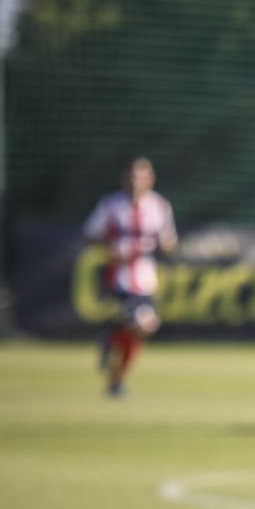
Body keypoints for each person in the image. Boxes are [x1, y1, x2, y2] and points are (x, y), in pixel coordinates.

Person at [83, 156, 177, 397]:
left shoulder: (160, 206)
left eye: (142, 176)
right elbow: (90, 233)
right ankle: (114, 358)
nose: (136, 181)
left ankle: (115, 371)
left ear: (151, 179)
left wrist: (166, 243)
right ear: (124, 178)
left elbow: (169, 242)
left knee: (139, 331)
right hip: (119, 278)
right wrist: (111, 250)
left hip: (145, 280)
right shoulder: (111, 205)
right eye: (132, 176)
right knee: (144, 324)